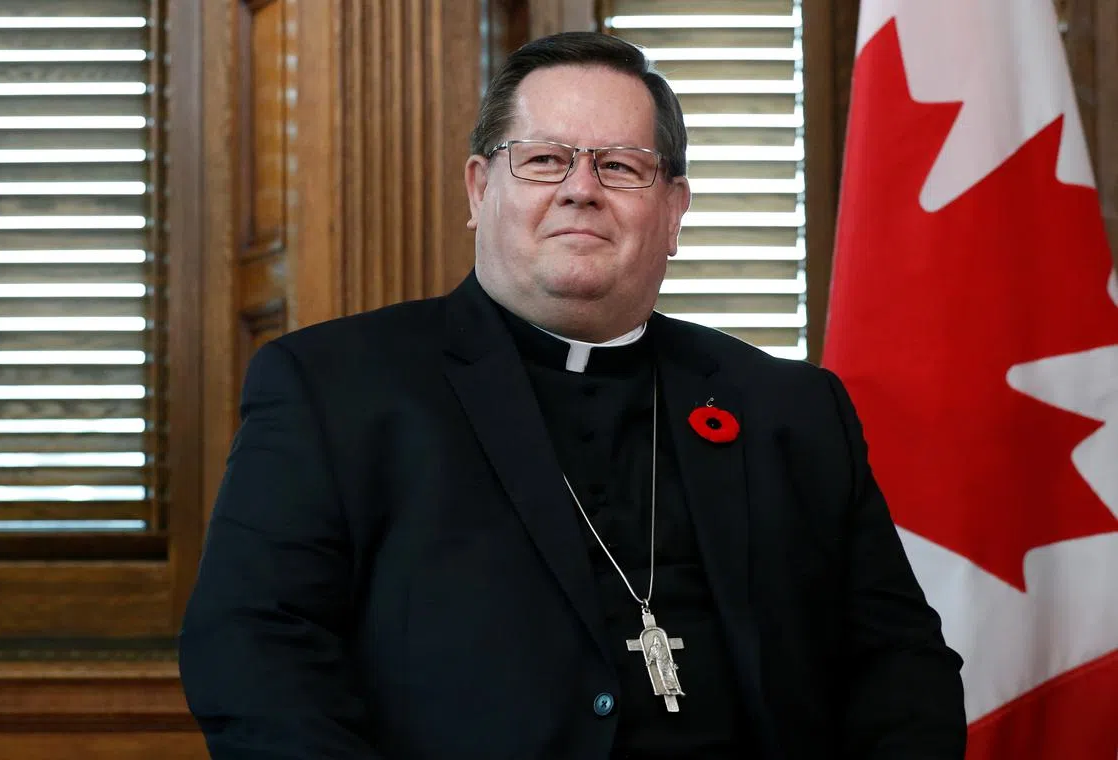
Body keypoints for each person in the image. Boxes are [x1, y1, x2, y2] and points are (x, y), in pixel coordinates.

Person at [178, 31, 966, 759]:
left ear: (674, 212)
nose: (582, 189)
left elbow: (899, 664)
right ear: (480, 188)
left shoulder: (791, 411)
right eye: (546, 159)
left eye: (621, 165)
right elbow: (254, 651)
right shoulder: (333, 388)